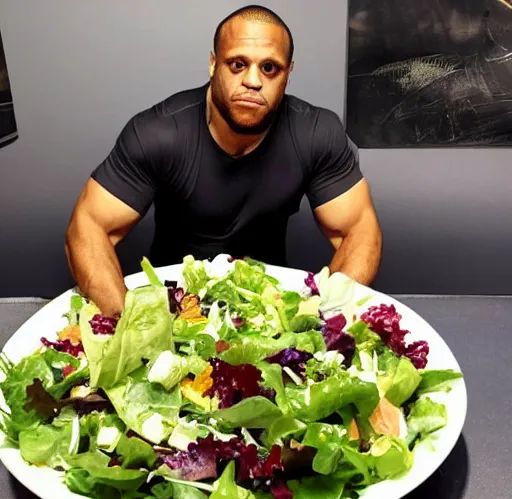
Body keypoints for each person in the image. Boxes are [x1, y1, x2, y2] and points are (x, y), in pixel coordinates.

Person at [65, 5, 382, 317]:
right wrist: (131, 328)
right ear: (213, 64)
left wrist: (324, 321)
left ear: (288, 73)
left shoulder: (316, 133)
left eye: (270, 67)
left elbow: (359, 230)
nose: (253, 81)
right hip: (173, 307)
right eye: (237, 64)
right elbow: (89, 227)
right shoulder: (158, 133)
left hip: (267, 308)